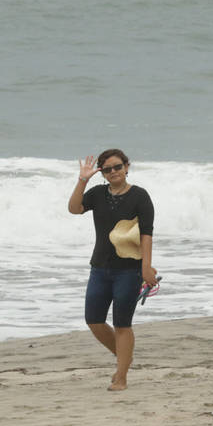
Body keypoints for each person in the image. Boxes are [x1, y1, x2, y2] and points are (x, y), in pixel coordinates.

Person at [68, 148, 157, 391]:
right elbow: (74, 209)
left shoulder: (140, 196)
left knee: (122, 324)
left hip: (129, 271)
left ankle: (121, 376)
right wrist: (83, 180)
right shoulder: (97, 194)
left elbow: (147, 234)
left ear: (127, 167)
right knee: (94, 320)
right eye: (107, 169)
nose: (114, 172)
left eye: (118, 166)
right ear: (103, 173)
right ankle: (125, 358)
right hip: (99, 268)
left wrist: (146, 267)